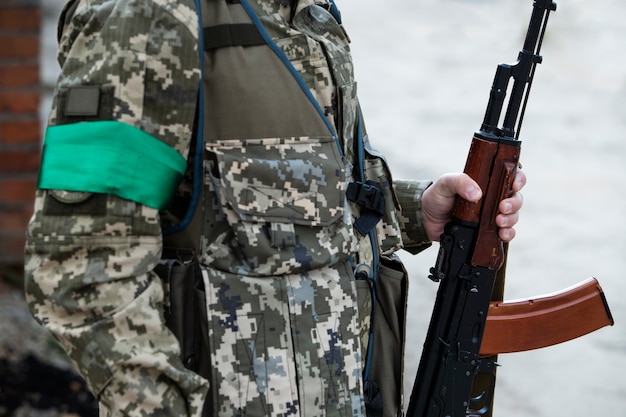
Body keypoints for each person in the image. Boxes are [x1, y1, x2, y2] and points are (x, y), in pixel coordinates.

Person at [24, 0, 525, 416]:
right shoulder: (147, 14)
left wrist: (418, 210)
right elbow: (78, 268)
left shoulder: (312, 17)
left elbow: (310, 201)